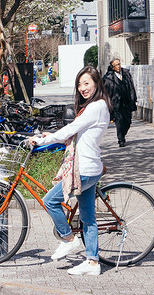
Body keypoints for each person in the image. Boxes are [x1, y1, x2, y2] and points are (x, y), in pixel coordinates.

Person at [26, 66, 111, 276]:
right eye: (80, 84)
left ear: (96, 84)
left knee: (49, 201)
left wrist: (44, 139)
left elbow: (71, 129)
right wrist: (50, 135)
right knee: (88, 218)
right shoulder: (95, 106)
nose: (82, 88)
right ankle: (93, 263)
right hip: (90, 167)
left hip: (86, 169)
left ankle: (68, 238)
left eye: (87, 83)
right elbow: (75, 129)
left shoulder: (96, 107)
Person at [102, 58, 137, 147]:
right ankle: (121, 139)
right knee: (119, 122)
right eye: (116, 65)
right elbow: (106, 92)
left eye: (119, 64)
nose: (119, 66)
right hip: (116, 104)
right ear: (112, 67)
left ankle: (123, 134)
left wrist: (133, 99)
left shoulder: (126, 73)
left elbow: (131, 87)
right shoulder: (108, 78)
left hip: (127, 102)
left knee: (128, 121)